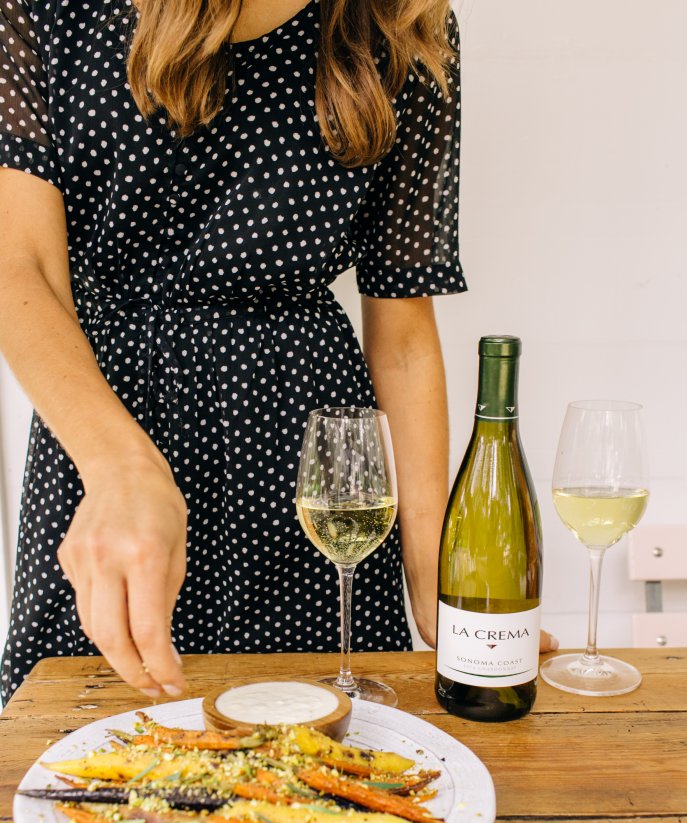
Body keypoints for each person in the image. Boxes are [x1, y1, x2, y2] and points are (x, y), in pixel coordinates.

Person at [0, 0, 554, 705]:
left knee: (332, 769)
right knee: (86, 758)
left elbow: (404, 331)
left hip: (314, 465)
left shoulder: (401, 20)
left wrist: (434, 584)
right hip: (104, 434)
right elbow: (21, 266)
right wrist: (120, 468)